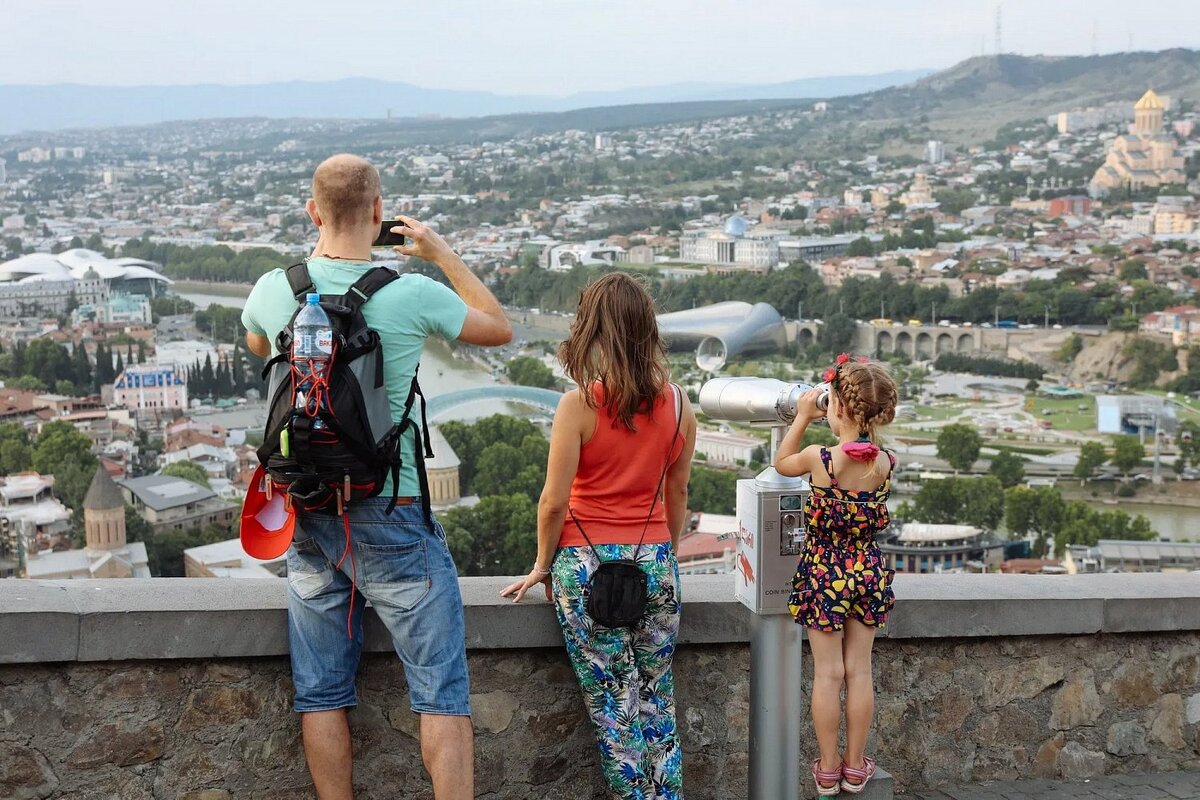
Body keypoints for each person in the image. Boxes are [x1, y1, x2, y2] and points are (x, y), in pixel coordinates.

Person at [241, 154, 512, 800]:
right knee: (440, 697)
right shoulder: (410, 293)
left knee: (321, 694)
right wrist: (441, 253)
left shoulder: (273, 288)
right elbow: (498, 327)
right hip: (393, 509)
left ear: (312, 212)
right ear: (379, 213)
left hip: (309, 514)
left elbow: (260, 349)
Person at [500, 272, 697, 800]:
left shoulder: (579, 406)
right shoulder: (679, 406)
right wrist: (663, 553)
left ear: (591, 333)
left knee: (616, 710)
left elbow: (554, 501)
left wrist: (542, 563)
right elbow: (677, 495)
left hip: (585, 569)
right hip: (653, 559)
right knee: (657, 701)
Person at [773, 354, 898, 796]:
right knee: (859, 671)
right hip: (866, 572)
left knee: (828, 674)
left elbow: (780, 462)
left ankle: (826, 769)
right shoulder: (884, 462)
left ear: (837, 408)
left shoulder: (820, 458)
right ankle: (854, 765)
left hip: (824, 574)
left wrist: (804, 416)